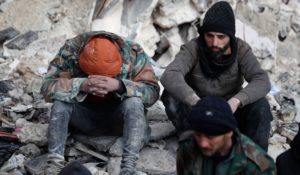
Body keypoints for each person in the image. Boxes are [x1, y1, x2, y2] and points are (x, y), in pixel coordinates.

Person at [40, 31, 160, 175]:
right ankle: (54, 165)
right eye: (93, 76)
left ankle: (129, 167)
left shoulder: (133, 53)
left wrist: (120, 86)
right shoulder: (71, 50)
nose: (100, 82)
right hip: (83, 118)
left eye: (106, 77)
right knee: (61, 103)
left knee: (134, 103)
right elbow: (46, 88)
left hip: (119, 119)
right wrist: (81, 84)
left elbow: (152, 92)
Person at [160, 1, 273, 150]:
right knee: (170, 94)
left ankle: (254, 157)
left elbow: (262, 80)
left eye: (221, 37)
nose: (215, 42)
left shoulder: (242, 50)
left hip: (230, 111)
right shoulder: (193, 48)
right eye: (210, 36)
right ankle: (192, 142)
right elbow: (169, 75)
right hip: (198, 111)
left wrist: (236, 101)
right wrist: (195, 101)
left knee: (261, 105)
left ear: (230, 36)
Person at [177, 96, 276, 175]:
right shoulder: (187, 144)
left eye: (211, 137)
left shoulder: (259, 166)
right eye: (198, 135)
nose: (203, 144)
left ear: (229, 133)